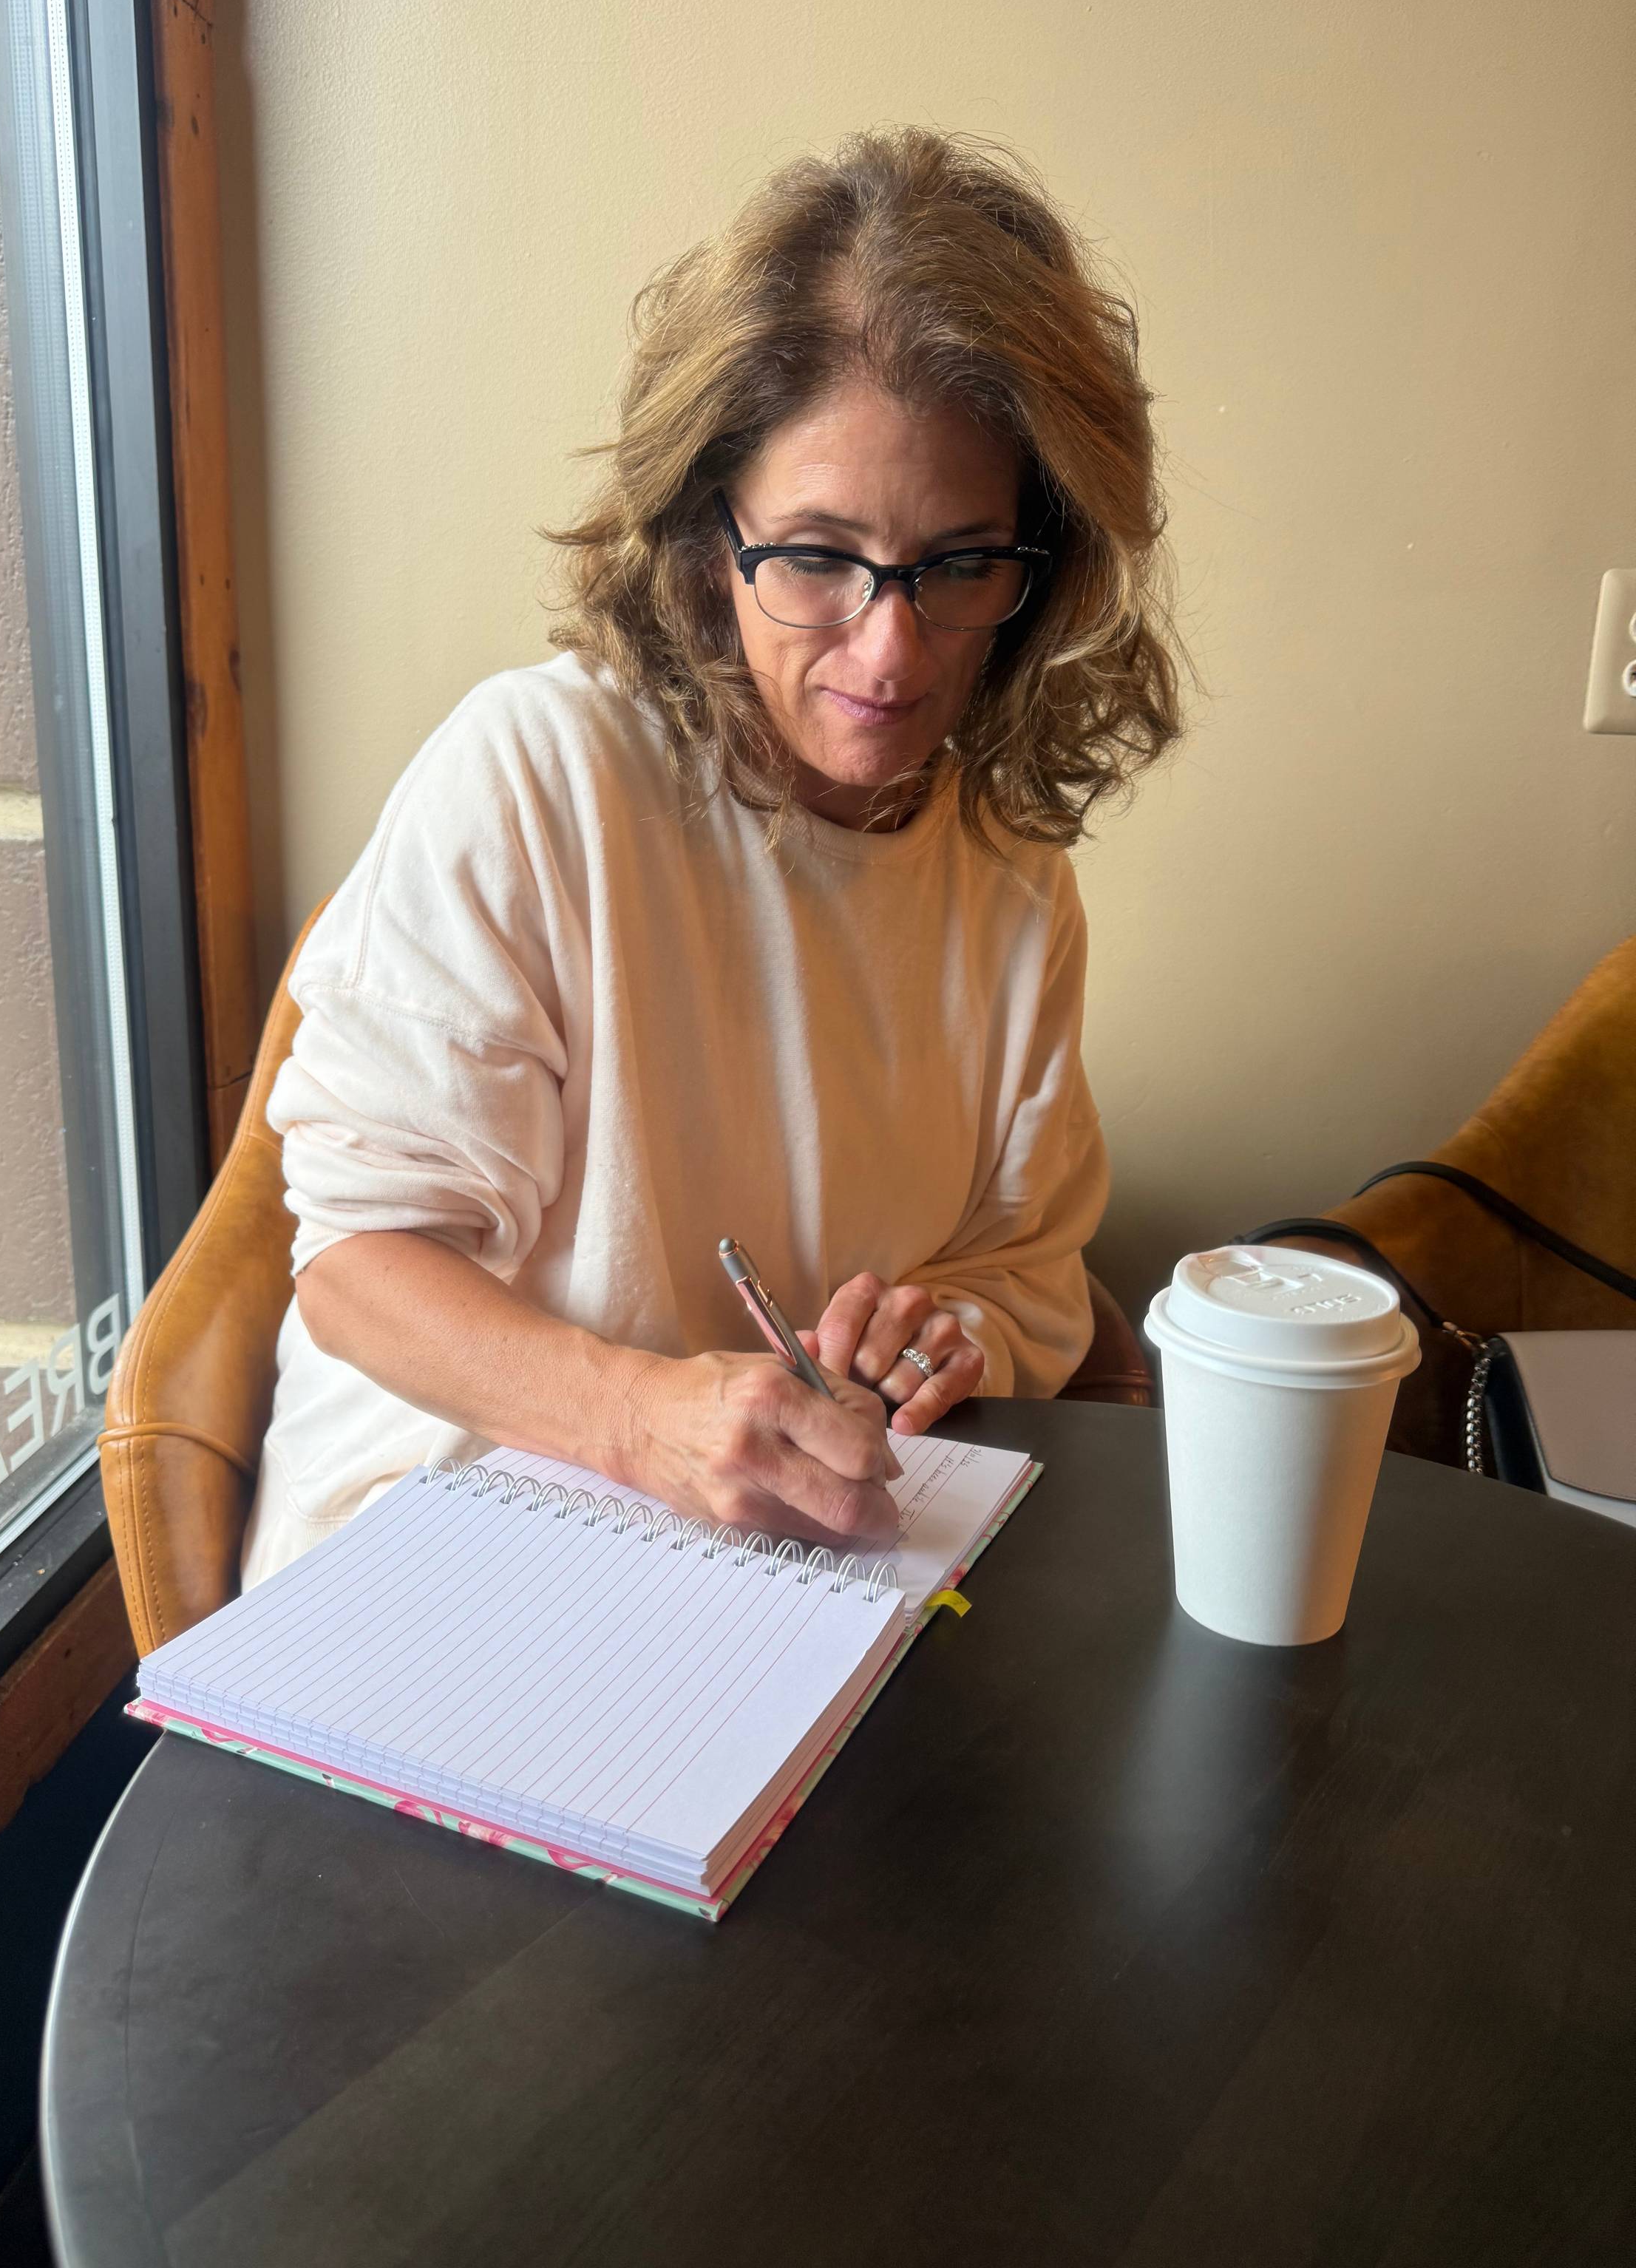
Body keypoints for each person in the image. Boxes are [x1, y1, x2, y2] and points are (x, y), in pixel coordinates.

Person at [240, 127, 1179, 1589]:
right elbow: (358, 1270)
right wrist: (642, 1418)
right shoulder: (541, 775)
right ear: (703, 538)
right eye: (816, 556)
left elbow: (1026, 1270)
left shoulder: (1012, 877)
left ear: (1041, 568)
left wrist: (946, 1333)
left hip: (777, 1574)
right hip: (441, 1547)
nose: (891, 650)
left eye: (958, 564)